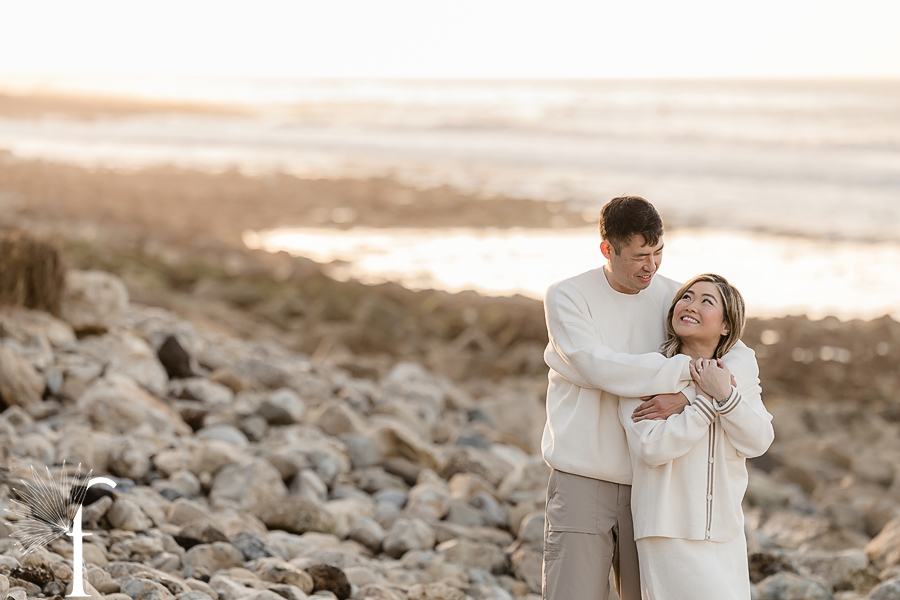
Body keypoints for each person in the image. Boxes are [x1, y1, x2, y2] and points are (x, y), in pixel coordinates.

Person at [541, 196, 759, 600]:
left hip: (654, 488)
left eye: (658, 253)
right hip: (583, 476)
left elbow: (739, 356)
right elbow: (599, 367)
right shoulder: (568, 296)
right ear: (608, 249)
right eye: (641, 256)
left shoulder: (676, 299)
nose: (652, 266)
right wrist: (688, 377)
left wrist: (687, 396)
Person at [618, 274, 774, 599]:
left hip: (726, 532)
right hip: (668, 530)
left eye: (707, 300)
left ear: (727, 325)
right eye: (686, 297)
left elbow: (758, 440)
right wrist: (705, 400)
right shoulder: (648, 373)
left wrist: (726, 397)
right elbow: (652, 447)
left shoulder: (735, 376)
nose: (690, 305)